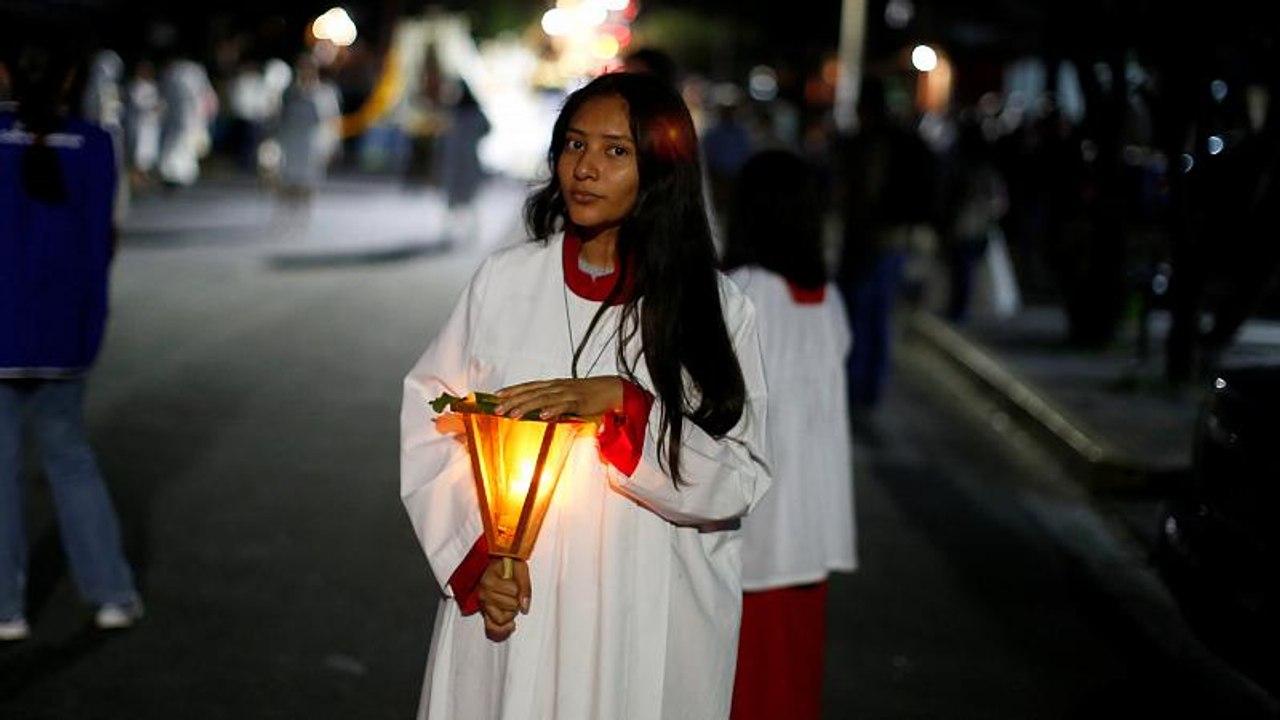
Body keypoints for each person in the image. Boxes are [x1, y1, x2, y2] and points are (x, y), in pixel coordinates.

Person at [400, 71, 771, 720]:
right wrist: (482, 559)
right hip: (514, 601)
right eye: (574, 145)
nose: (586, 168)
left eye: (615, 151)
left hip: (638, 616)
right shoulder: (507, 282)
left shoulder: (713, 311)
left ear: (660, 169)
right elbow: (434, 417)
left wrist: (624, 409)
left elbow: (738, 479)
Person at [0, 39, 144, 642]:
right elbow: (111, 235)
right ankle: (111, 593)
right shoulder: (98, 144)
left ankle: (7, 609)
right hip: (66, 333)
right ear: (70, 77)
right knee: (70, 457)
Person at [720, 149, 857, 720]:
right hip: (813, 528)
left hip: (753, 529)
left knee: (742, 685)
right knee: (792, 686)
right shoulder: (828, 300)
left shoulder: (740, 292)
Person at [834, 75, 939, 409]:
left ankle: (856, 388)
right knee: (875, 317)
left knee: (860, 315)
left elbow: (858, 193)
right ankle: (867, 388)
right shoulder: (904, 141)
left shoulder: (869, 143)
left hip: (872, 239)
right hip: (887, 239)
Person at [433, 79, 490, 245]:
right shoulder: (451, 113)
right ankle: (448, 233)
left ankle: (473, 232)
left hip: (466, 161)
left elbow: (486, 129)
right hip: (454, 161)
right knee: (452, 199)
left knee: (469, 199)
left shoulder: (473, 114)